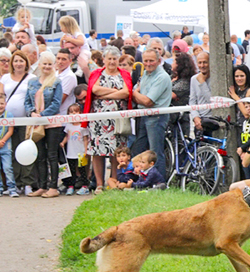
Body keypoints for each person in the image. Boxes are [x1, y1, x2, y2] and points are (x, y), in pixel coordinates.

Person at [84, 46, 133, 194]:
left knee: (116, 152)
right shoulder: (97, 73)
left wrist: (106, 95)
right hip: (99, 120)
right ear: (104, 60)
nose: (112, 61)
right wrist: (116, 92)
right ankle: (99, 184)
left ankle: (114, 181)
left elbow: (126, 93)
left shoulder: (124, 74)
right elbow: (95, 90)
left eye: (115, 59)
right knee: (98, 152)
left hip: (118, 121)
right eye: (109, 58)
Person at [24, 51, 63, 198]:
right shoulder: (32, 82)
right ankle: (42, 186)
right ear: (39, 65)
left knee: (52, 155)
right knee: (40, 155)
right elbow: (27, 101)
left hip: (52, 123)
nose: (46, 66)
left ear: (53, 65)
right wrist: (32, 113)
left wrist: (42, 115)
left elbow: (56, 103)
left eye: (49, 64)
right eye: (44, 63)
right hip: (36, 123)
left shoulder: (56, 82)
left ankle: (53, 187)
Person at [0, 50, 35, 195]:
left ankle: (28, 183)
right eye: (16, 61)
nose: (18, 64)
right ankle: (15, 183)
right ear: (12, 63)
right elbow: (0, 95)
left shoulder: (31, 78)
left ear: (26, 63)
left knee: (26, 151)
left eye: (21, 61)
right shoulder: (6, 78)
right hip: (8, 121)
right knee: (11, 152)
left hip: (25, 120)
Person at [132, 48, 172, 178]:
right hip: (144, 116)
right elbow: (141, 98)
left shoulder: (162, 77)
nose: (148, 64)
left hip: (156, 117)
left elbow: (148, 101)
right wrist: (137, 95)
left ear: (159, 61)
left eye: (151, 61)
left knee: (155, 152)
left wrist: (135, 93)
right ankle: (141, 179)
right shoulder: (145, 75)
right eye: (146, 61)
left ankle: (159, 182)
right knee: (140, 150)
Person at [60, 103, 90, 195]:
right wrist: (63, 142)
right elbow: (67, 136)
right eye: (71, 112)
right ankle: (71, 186)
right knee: (71, 170)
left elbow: (85, 139)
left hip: (80, 152)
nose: (73, 114)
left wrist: (86, 150)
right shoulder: (68, 126)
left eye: (76, 111)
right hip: (70, 152)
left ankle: (85, 185)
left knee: (82, 169)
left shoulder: (82, 126)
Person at [227, 64, 250, 137]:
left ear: (247, 76)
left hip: (248, 129)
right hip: (238, 127)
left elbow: (247, 114)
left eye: (242, 76)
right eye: (236, 76)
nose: (239, 78)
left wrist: (236, 98)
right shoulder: (237, 91)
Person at [169, 51, 196, 134]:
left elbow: (170, 95)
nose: (172, 63)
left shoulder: (185, 82)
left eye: (174, 61)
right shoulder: (172, 77)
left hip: (180, 118)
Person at [56, 48, 78, 116]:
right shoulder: (55, 73)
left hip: (64, 116)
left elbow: (60, 99)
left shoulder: (70, 76)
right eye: (58, 58)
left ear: (70, 61)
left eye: (64, 59)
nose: (60, 61)